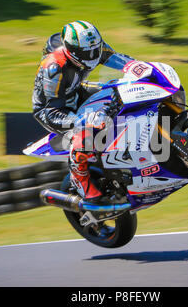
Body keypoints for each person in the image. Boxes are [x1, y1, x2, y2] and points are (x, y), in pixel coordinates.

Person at [32, 21, 134, 202]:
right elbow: (50, 109)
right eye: (88, 53)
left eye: (96, 49)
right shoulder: (53, 67)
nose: (93, 55)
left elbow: (125, 63)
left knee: (119, 92)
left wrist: (144, 70)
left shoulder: (91, 46)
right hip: (52, 110)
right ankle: (80, 179)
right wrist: (81, 120)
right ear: (72, 50)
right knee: (85, 126)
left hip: (76, 91)